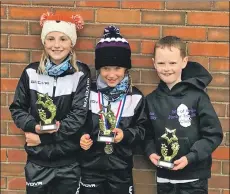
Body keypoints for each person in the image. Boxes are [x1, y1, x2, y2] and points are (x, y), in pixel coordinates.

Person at [9, 11, 91, 194]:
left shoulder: (81, 74)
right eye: (51, 38)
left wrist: (42, 137)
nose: (56, 45)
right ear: (44, 42)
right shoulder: (30, 72)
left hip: (69, 162)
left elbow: (78, 117)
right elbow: (17, 109)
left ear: (72, 43)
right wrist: (33, 126)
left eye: (63, 39)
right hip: (37, 162)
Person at [143, 36, 223, 194]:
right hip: (164, 178)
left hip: (194, 179)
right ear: (154, 63)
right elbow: (146, 135)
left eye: (172, 63)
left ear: (184, 62)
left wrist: (191, 157)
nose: (167, 68)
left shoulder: (198, 96)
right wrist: (150, 152)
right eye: (161, 63)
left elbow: (213, 135)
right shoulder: (150, 100)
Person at [79, 25, 147, 194]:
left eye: (117, 68)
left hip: (121, 169)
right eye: (105, 68)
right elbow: (77, 121)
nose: (111, 74)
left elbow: (144, 130)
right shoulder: (88, 92)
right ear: (99, 68)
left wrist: (126, 135)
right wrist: (81, 138)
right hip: (90, 168)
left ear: (126, 68)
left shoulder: (135, 97)